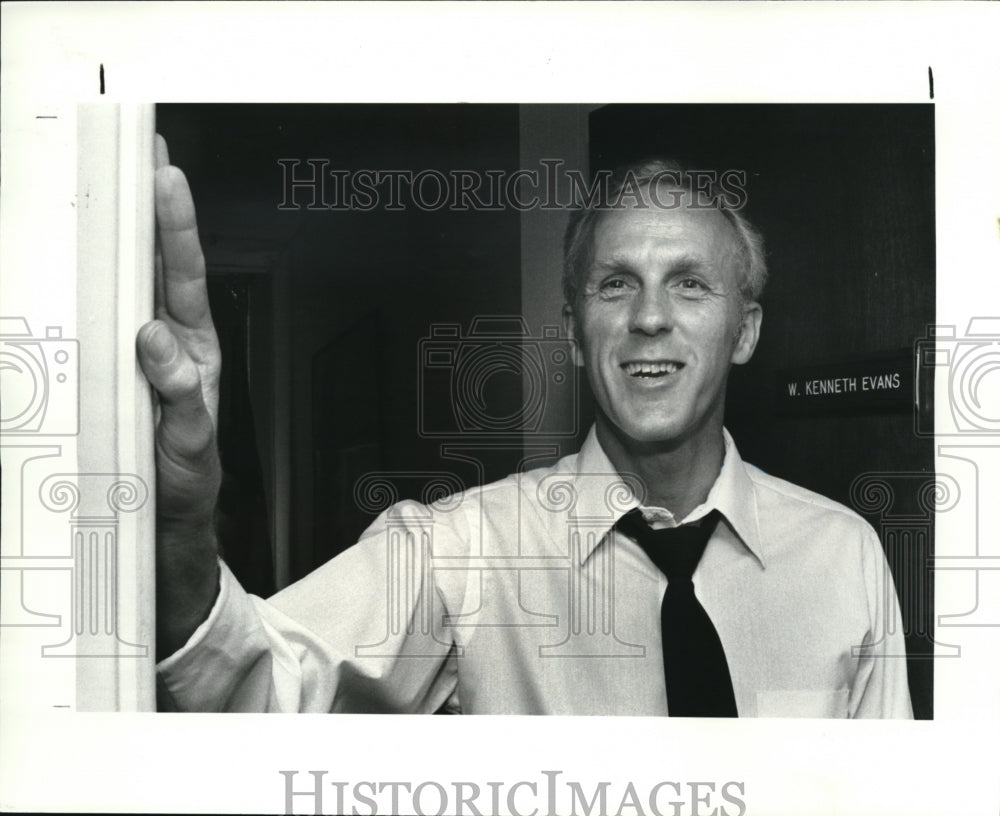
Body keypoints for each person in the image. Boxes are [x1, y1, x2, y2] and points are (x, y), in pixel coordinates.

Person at [140, 139, 912, 717]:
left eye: (689, 284)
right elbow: (257, 691)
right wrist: (180, 521)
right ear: (575, 334)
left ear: (743, 332)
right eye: (616, 285)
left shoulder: (844, 555)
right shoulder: (458, 552)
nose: (649, 318)